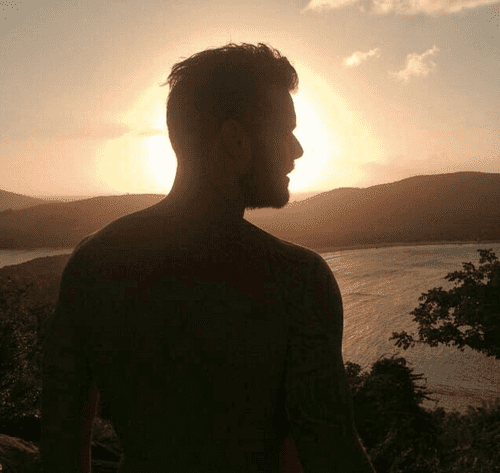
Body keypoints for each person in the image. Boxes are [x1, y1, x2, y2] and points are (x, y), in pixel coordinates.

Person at [41, 42, 376, 472]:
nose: (297, 150)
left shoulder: (94, 263)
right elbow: (332, 452)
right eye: (284, 131)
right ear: (234, 140)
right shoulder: (295, 279)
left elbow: (62, 443)